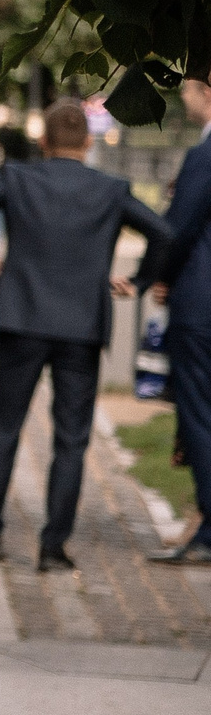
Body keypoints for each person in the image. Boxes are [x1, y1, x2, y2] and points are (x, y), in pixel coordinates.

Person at [0, 98, 170, 570]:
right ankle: (53, 546)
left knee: (4, 429)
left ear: (43, 141)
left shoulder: (19, 178)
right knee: (71, 438)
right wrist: (141, 280)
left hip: (22, 319)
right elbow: (163, 233)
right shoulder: (111, 188)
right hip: (82, 326)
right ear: (88, 142)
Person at [151, 77, 211, 565]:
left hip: (202, 303)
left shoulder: (204, 155)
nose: (182, 96)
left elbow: (180, 227)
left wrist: (157, 275)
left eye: (188, 88)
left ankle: (209, 528)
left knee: (199, 416)